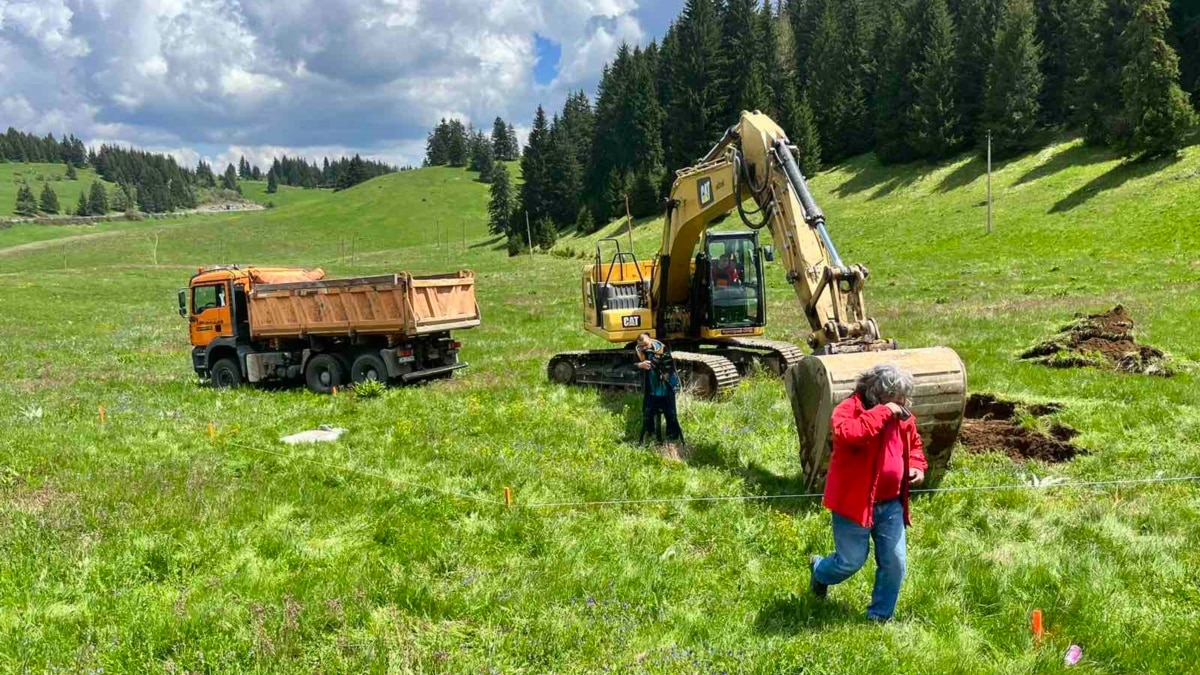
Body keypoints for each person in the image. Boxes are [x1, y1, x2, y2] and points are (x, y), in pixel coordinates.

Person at [809, 363, 927, 623]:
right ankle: (819, 570)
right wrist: (883, 413)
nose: (903, 404)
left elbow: (914, 444)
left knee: (895, 564)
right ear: (878, 396)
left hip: (891, 504)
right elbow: (853, 435)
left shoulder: (902, 416)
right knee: (850, 562)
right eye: (897, 399)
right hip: (854, 503)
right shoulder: (848, 410)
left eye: (904, 398)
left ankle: (879, 617)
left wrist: (917, 466)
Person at [635, 332, 683, 447]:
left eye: (646, 345)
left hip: (665, 388)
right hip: (650, 389)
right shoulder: (638, 351)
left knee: (671, 413)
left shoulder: (661, 348)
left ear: (650, 340)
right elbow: (630, 364)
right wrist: (639, 365)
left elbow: (670, 365)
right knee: (647, 412)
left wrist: (664, 372)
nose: (644, 348)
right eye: (641, 346)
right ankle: (649, 432)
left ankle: (672, 436)